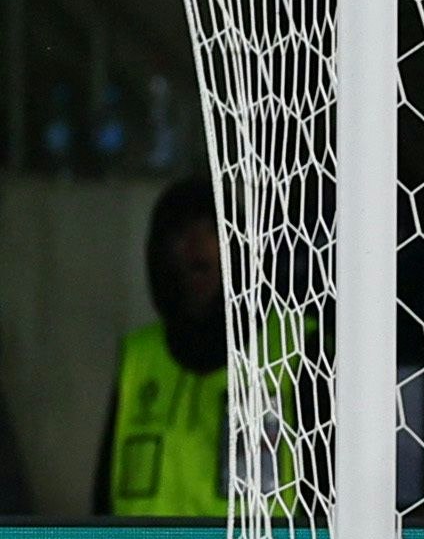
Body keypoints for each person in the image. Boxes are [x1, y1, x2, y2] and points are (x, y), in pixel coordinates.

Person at [93, 176, 295, 517]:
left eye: (212, 231)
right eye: (180, 235)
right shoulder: (140, 358)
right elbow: (102, 503)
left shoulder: (295, 348)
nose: (196, 248)